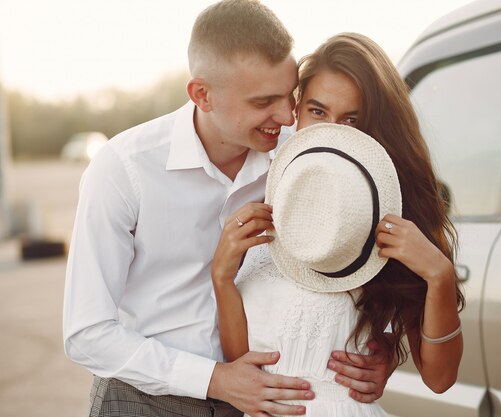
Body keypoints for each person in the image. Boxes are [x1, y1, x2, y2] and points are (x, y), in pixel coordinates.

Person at [63, 3, 390, 417]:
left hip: (259, 403)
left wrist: (384, 351)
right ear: (202, 94)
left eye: (289, 95)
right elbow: (87, 334)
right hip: (142, 401)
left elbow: (363, 248)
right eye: (263, 101)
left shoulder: (303, 156)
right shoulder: (123, 169)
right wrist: (216, 379)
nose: (286, 115)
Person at [211, 33, 465, 416]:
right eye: (317, 111)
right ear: (295, 110)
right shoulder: (271, 186)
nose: (332, 132)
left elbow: (440, 379)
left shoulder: (393, 215)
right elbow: (245, 361)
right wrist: (222, 277)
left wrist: (440, 277)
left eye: (352, 119)